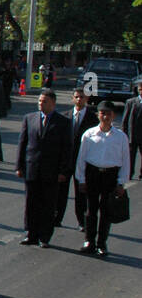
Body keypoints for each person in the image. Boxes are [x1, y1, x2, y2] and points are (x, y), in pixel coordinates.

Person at [15, 89, 72, 247]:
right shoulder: (29, 118)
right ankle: (30, 233)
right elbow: (23, 143)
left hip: (51, 171)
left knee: (48, 204)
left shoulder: (63, 122)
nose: (41, 103)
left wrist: (63, 171)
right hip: (32, 168)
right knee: (31, 203)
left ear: (53, 103)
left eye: (44, 101)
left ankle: (44, 236)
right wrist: (19, 165)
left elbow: (67, 148)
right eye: (39, 101)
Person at [75, 101, 130, 258]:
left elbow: (125, 161)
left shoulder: (121, 137)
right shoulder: (89, 134)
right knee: (91, 210)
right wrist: (81, 179)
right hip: (93, 174)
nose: (105, 116)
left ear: (113, 116)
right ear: (98, 115)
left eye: (108, 114)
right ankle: (89, 241)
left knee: (106, 211)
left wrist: (121, 182)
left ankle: (102, 243)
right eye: (102, 113)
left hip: (110, 176)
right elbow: (81, 158)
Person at [57, 86, 98, 231]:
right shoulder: (64, 116)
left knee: (81, 193)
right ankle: (57, 218)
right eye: (77, 97)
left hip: (83, 161)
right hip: (65, 161)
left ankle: (82, 221)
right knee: (61, 191)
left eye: (82, 97)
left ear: (87, 99)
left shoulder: (93, 118)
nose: (79, 99)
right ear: (73, 98)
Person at [122, 81, 142, 180]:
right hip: (132, 134)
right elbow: (125, 120)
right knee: (131, 156)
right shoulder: (131, 102)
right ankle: (129, 173)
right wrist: (124, 134)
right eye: (140, 90)